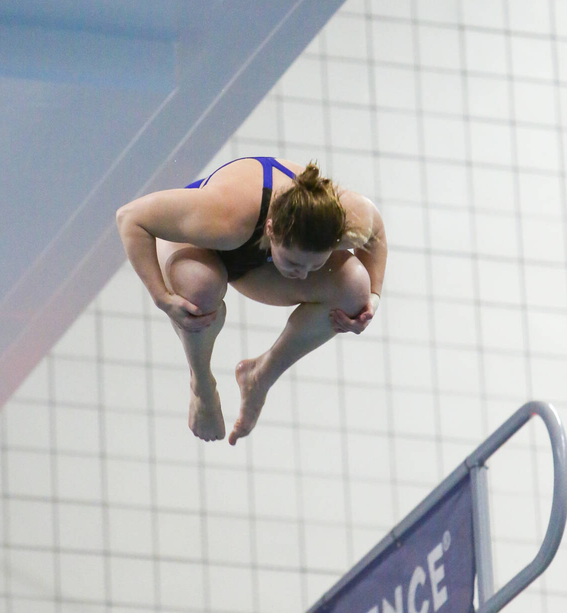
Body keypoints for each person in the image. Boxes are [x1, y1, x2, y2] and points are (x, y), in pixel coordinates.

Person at [116, 156, 387, 444]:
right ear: (271, 229)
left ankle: (260, 375)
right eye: (295, 262)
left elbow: (377, 231)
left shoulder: (347, 219)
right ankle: (201, 385)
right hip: (200, 244)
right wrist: (161, 297)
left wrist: (373, 300)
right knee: (199, 285)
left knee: (355, 289)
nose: (303, 275)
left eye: (314, 265)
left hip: (257, 260)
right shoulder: (226, 215)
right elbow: (130, 218)